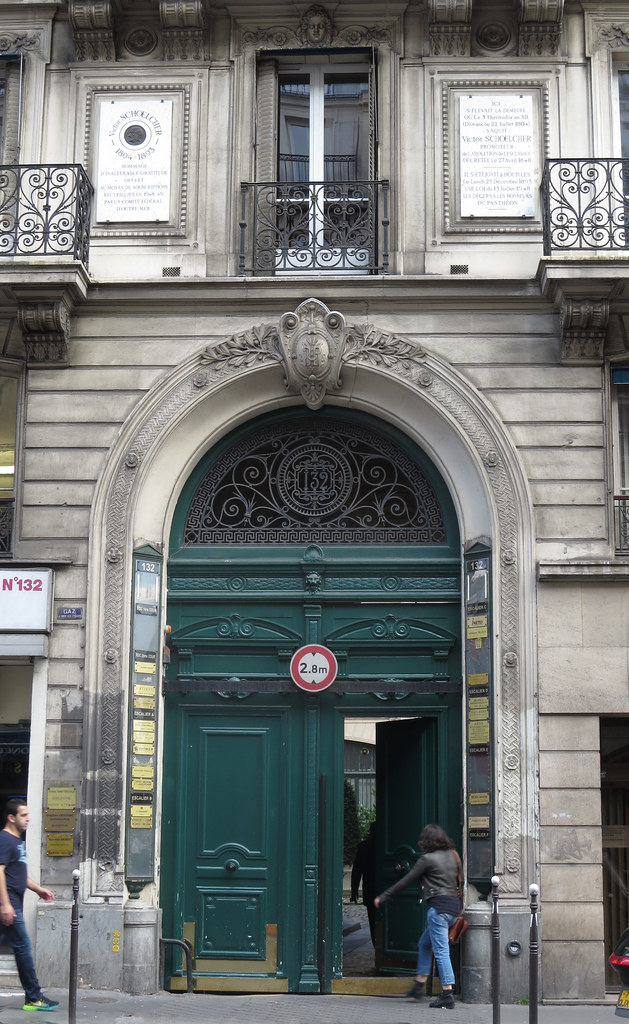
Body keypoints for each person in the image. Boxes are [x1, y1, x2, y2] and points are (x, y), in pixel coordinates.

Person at [374, 823, 461, 1010]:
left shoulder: (427, 859)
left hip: (438, 909)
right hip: (454, 908)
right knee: (425, 943)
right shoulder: (452, 856)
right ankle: (419, 986)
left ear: (427, 841)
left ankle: (447, 993)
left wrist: (384, 896)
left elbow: (407, 880)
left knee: (441, 951)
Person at [0, 799, 59, 1012]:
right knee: (23, 949)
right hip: (9, 905)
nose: (28, 819)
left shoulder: (16, 841)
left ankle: (33, 997)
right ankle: (33, 997)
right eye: (23, 815)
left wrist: (38, 889)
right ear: (11, 818)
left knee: (21, 949)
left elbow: (18, 875)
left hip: (11, 904)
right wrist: (5, 904)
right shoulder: (5, 840)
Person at [350, 821, 376, 944]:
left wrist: (354, 891)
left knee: (372, 919)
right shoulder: (386, 846)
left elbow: (357, 871)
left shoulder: (363, 846)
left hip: (370, 889)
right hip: (386, 889)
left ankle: (376, 944)